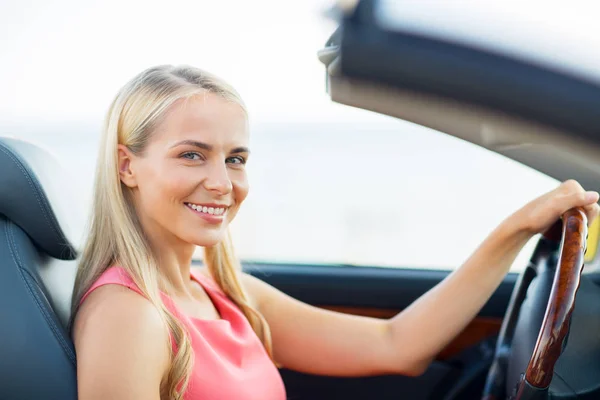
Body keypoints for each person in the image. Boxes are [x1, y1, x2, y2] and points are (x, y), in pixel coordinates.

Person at [70, 65, 600, 400]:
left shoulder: (226, 293)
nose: (222, 182)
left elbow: (397, 345)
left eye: (236, 159)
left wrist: (517, 228)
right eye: (192, 155)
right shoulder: (128, 314)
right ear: (127, 166)